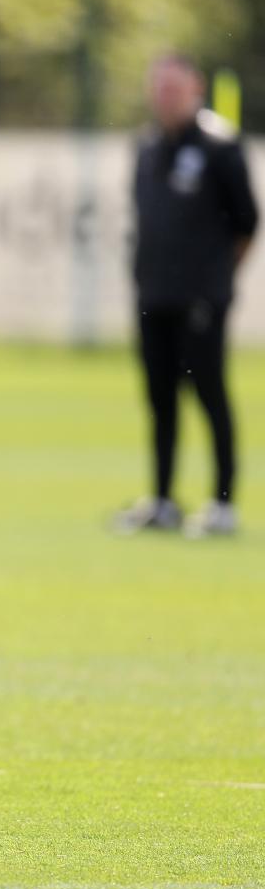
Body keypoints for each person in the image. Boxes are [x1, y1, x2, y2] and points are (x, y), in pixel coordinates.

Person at [116, 53, 258, 538]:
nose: (165, 97)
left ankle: (222, 505)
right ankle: (161, 499)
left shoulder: (220, 144)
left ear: (195, 88)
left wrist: (214, 280)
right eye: (159, 88)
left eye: (174, 88)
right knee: (160, 397)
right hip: (153, 293)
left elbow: (246, 223)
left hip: (201, 298)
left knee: (209, 393)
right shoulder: (148, 145)